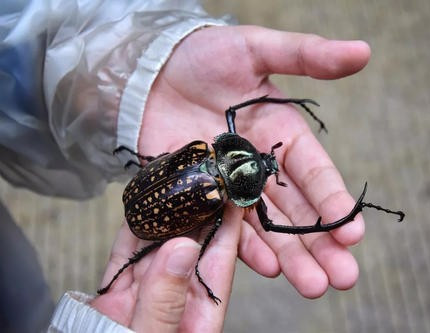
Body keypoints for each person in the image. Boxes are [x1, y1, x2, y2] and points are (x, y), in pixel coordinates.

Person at [1, 1, 370, 331]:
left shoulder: (201, 151)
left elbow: (225, 118)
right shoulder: (211, 188)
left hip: (143, 195)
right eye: (263, 160)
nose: (266, 161)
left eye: (262, 161)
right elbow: (263, 222)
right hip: (145, 210)